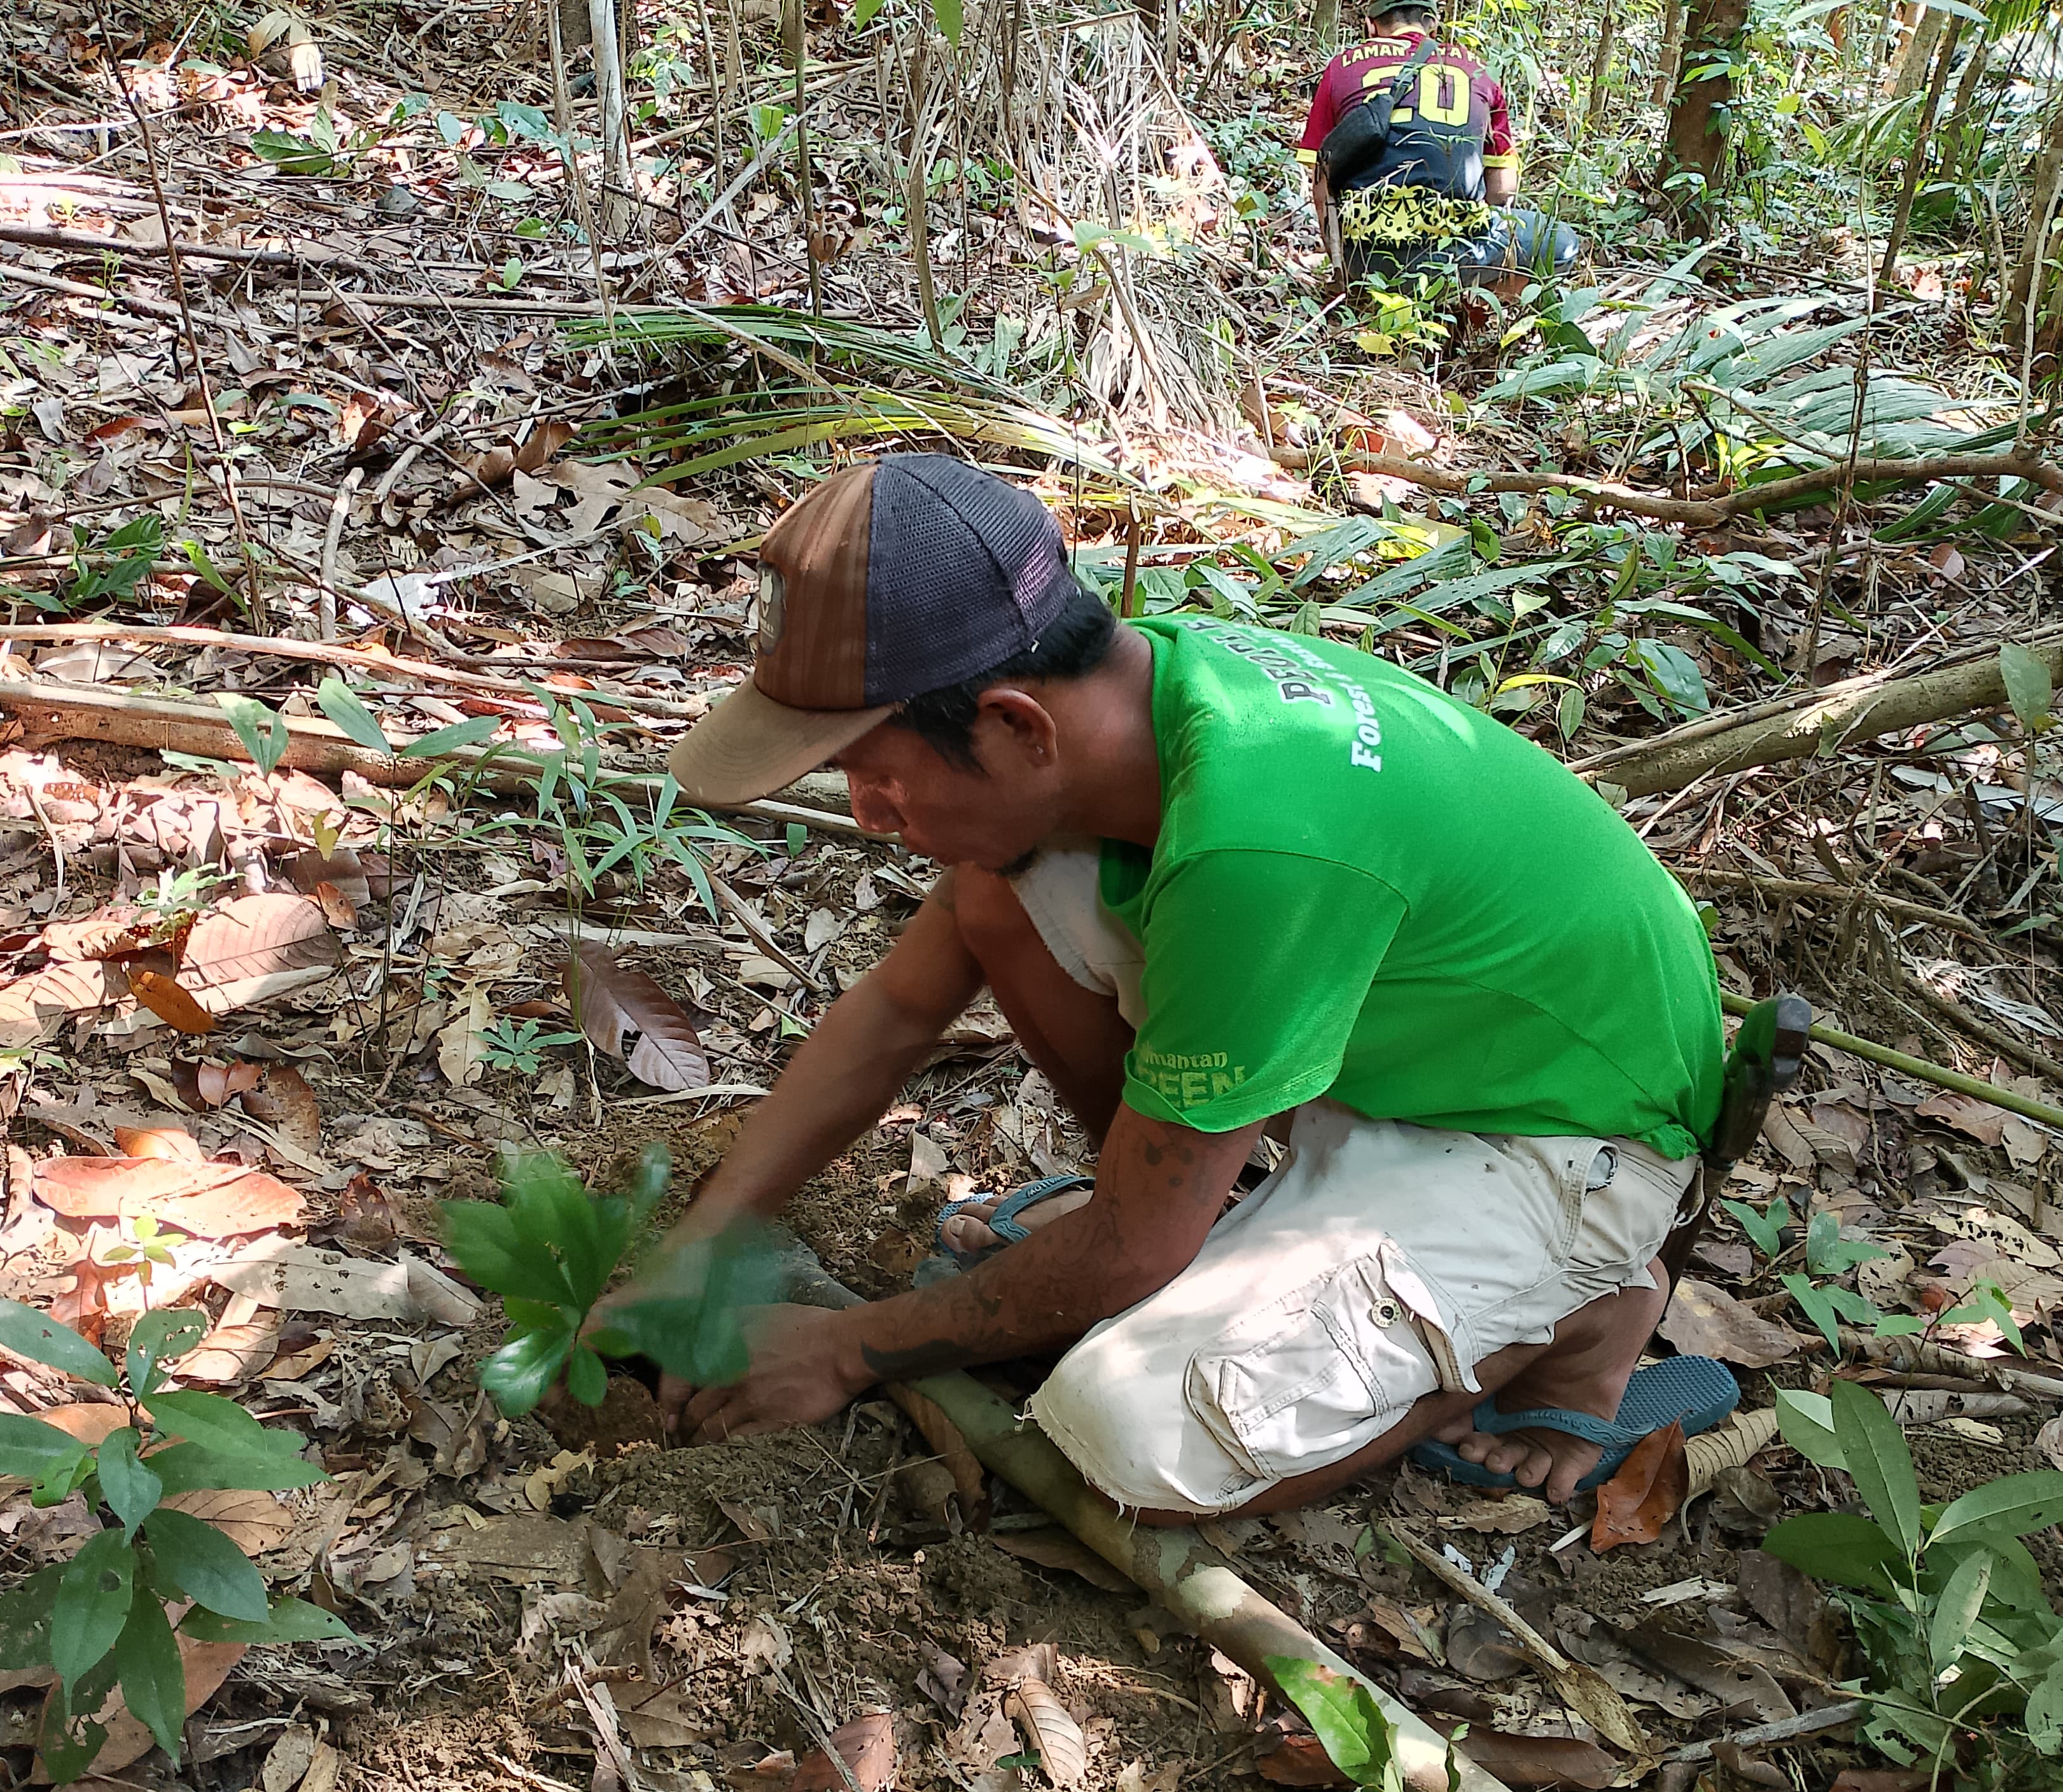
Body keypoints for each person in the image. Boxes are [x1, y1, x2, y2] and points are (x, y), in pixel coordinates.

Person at [625, 452, 1731, 1522]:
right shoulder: (1147, 700)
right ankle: (1215, 1233)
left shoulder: (1257, 849)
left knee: (1130, 1436)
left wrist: (847, 1346)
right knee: (996, 895)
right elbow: (900, 1007)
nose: (867, 811)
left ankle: (1573, 1319)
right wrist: (705, 1240)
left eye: (873, 769)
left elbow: (1126, 1247)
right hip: (1421, 1040)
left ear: (1016, 725)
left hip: (1563, 1139)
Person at [1298, 0, 1581, 292]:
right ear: (1433, 23)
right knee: (1560, 242)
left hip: (1366, 262)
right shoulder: (1478, 71)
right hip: (1455, 256)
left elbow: (1322, 181)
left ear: (1370, 24)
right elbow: (1503, 189)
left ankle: (1370, 293)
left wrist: (1342, 266)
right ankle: (1472, 301)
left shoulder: (1341, 68)